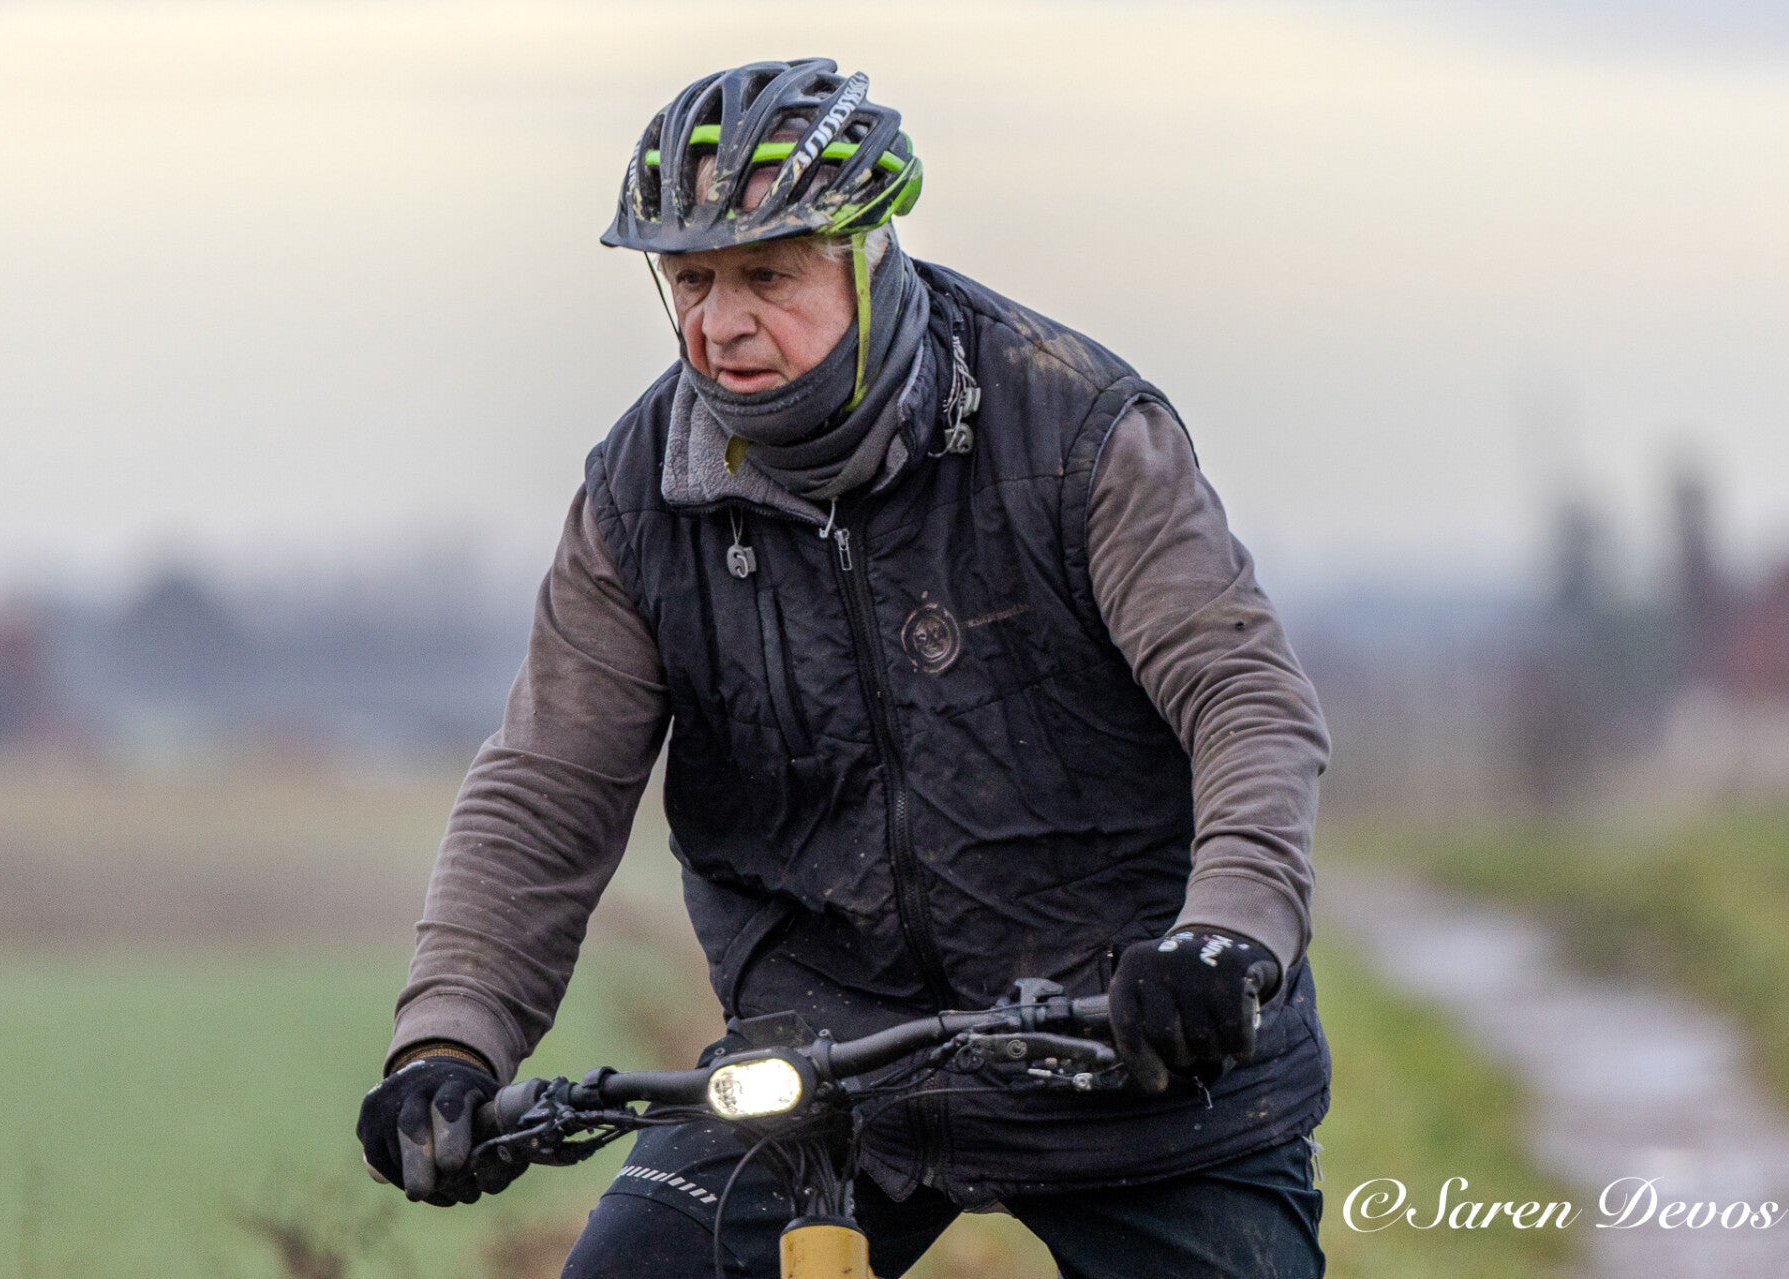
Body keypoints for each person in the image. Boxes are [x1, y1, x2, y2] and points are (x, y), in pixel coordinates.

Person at [357, 58, 1333, 1278]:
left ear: (869, 258)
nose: (718, 323)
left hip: (1132, 1047)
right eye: (689, 280)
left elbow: (1244, 701)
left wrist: (1225, 938)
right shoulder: (637, 497)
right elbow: (544, 787)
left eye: (765, 275)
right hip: (824, 1076)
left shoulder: (1075, 429)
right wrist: (447, 1042)